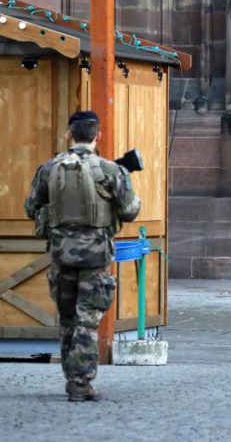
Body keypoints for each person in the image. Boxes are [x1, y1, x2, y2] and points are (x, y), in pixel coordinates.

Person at [24, 111, 141, 402]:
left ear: (69, 135)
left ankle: (70, 378)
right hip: (96, 256)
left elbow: (30, 207)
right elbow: (130, 210)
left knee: (67, 319)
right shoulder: (110, 170)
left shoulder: (49, 168)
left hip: (61, 253)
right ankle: (81, 383)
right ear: (97, 136)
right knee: (87, 320)